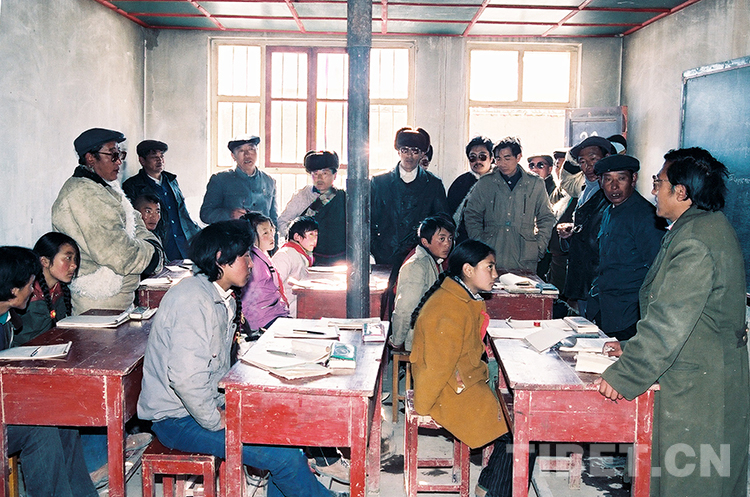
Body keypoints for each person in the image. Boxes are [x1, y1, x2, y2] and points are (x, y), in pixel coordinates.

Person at [137, 221, 344, 497]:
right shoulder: (192, 301)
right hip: (177, 419)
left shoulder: (222, 296)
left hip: (203, 406)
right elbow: (185, 379)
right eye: (245, 256)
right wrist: (216, 419)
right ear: (220, 259)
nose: (251, 263)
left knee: (285, 432)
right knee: (283, 458)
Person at [598, 148, 748, 497]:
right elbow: (687, 313)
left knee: (692, 480)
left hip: (699, 387)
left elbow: (669, 322)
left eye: (658, 182)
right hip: (700, 370)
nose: (654, 190)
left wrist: (624, 375)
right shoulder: (699, 227)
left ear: (680, 192)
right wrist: (631, 346)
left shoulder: (695, 240)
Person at [410, 240, 512, 497]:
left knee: (517, 419)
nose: (495, 274)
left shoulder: (463, 297)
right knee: (519, 431)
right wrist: (424, 406)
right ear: (468, 269)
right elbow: (435, 368)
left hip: (463, 379)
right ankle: (493, 491)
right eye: (489, 267)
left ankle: (487, 486)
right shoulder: (448, 308)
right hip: (447, 390)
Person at [0, 246, 98, 497]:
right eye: (29, 285)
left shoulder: (7, 319)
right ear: (13, 290)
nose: (32, 290)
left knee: (61, 416)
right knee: (40, 427)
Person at [51, 128, 163, 314]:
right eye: (113, 155)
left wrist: (150, 245)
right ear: (90, 158)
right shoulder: (84, 194)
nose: (119, 161)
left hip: (118, 300)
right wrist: (154, 254)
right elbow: (121, 255)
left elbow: (136, 223)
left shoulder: (106, 188)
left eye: (120, 155)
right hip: (99, 303)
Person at [586, 155, 665, 341]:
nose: (614, 187)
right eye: (608, 179)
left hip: (630, 316)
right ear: (600, 182)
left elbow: (658, 270)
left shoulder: (646, 217)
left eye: (621, 178)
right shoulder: (609, 211)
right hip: (606, 309)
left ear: (633, 179)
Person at [464, 136, 555, 272]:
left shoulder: (535, 183)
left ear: (518, 157)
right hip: (492, 252)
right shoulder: (486, 183)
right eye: (498, 159)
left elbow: (546, 217)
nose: (502, 163)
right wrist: (480, 244)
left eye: (507, 158)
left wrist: (539, 247)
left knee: (523, 286)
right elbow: (472, 214)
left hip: (524, 256)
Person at [370, 127, 448, 265]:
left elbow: (442, 221)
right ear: (398, 152)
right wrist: (376, 248)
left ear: (423, 153)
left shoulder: (433, 184)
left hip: (419, 255)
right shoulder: (380, 182)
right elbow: (369, 220)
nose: (409, 155)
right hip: (385, 254)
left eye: (415, 151)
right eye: (404, 150)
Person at [556, 136, 613, 314]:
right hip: (582, 276)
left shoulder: (611, 192)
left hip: (598, 278)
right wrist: (571, 231)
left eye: (593, 159)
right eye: (582, 162)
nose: (588, 167)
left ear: (606, 157)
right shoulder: (585, 188)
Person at [123, 139, 201, 261]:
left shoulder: (171, 181)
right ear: (142, 160)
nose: (159, 160)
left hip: (183, 244)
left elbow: (183, 212)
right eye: (154, 157)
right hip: (161, 245)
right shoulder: (133, 185)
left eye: (161, 156)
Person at [389, 216, 455, 352]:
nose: (447, 244)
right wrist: (397, 341)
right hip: (419, 340)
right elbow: (404, 310)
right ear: (425, 242)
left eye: (450, 238)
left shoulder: (434, 261)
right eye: (441, 239)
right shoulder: (416, 266)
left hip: (431, 334)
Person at [277, 150, 346, 265]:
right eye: (315, 173)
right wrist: (298, 240)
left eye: (324, 173)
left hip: (341, 259)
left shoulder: (343, 197)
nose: (319, 178)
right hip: (308, 258)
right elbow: (282, 222)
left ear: (334, 175)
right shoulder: (302, 196)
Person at [15, 232, 79, 346]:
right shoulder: (23, 292)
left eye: (75, 259)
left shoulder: (61, 290)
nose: (74, 265)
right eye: (68, 258)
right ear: (44, 261)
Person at [200, 134, 278, 226]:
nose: (247, 154)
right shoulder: (220, 179)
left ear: (257, 151)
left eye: (251, 149)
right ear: (233, 156)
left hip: (260, 235)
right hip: (231, 234)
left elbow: (273, 219)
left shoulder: (269, 181)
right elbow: (205, 214)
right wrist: (230, 215)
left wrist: (274, 234)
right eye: (241, 151)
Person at [239, 212, 289, 333]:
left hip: (273, 313)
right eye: (265, 233)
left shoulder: (262, 254)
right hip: (261, 319)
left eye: (272, 231)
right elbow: (246, 300)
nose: (272, 236)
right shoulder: (253, 261)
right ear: (251, 236)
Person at [447, 136, 494, 244]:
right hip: (463, 243)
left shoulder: (500, 182)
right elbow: (449, 215)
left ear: (491, 158)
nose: (477, 161)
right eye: (473, 157)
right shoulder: (460, 183)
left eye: (482, 157)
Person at [272, 216, 318, 318]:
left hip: (299, 309)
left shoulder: (303, 254)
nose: (314, 239)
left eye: (316, 235)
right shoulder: (284, 255)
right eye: (311, 234)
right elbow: (273, 286)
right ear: (297, 236)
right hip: (286, 313)